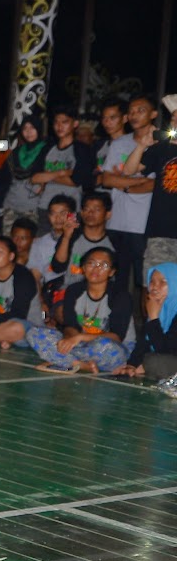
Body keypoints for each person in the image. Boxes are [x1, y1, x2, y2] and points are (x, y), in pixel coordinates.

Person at [23, 247, 131, 373]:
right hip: (79, 345)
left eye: (103, 265)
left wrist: (80, 338)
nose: (96, 269)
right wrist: (68, 341)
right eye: (91, 263)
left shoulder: (121, 296)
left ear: (112, 272)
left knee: (105, 346)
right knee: (34, 333)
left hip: (111, 349)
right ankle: (81, 364)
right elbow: (70, 325)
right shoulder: (74, 290)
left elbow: (116, 336)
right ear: (83, 268)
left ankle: (64, 360)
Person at [98, 96, 155, 290]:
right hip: (117, 223)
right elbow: (106, 180)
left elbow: (156, 184)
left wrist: (123, 183)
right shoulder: (119, 143)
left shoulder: (160, 144)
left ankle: (148, 321)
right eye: (131, 111)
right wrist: (138, 181)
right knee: (116, 280)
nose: (134, 115)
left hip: (145, 225)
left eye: (141, 110)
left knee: (146, 283)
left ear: (154, 114)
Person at [124, 96, 177, 271]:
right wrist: (142, 146)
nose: (175, 122)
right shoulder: (162, 148)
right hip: (160, 232)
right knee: (155, 286)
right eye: (173, 118)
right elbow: (129, 170)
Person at [115, 262, 177, 381]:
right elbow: (144, 343)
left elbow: (166, 352)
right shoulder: (160, 309)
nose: (154, 287)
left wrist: (154, 318)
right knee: (151, 361)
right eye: (152, 281)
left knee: (154, 361)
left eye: (163, 282)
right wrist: (131, 365)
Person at [0, 112, 49, 226]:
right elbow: (2, 177)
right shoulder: (16, 152)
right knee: (8, 242)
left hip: (34, 207)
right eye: (25, 128)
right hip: (11, 205)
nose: (28, 132)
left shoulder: (48, 149)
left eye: (32, 128)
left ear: (39, 129)